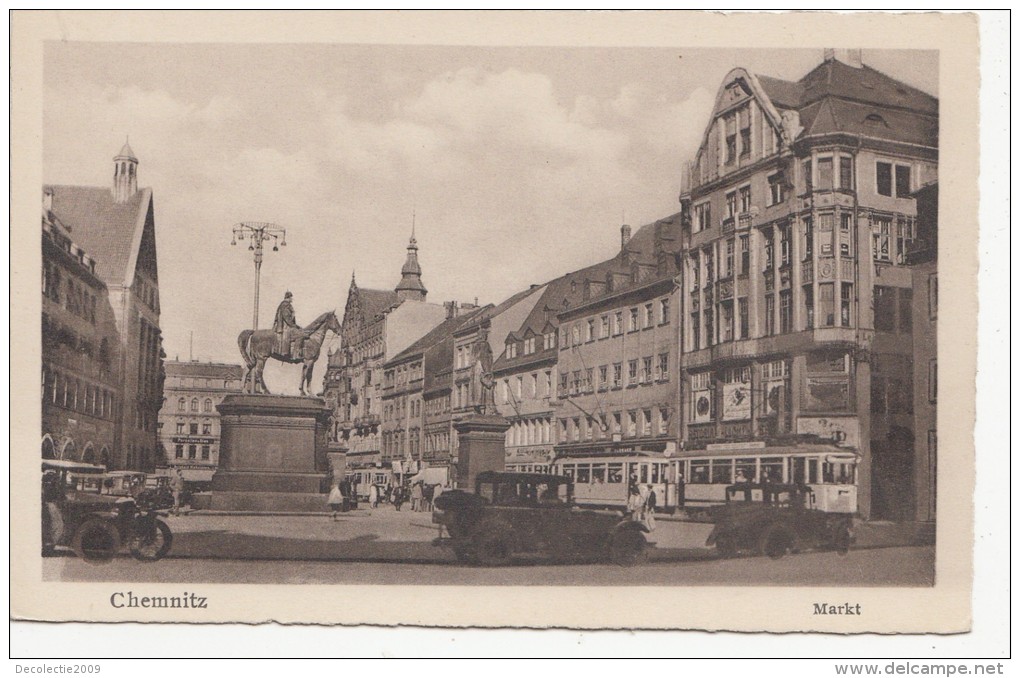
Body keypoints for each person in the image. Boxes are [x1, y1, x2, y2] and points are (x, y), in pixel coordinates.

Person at [273, 291, 303, 358]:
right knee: (300, 335)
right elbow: (286, 317)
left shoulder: (285, 304)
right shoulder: (285, 304)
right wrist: (294, 325)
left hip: (287, 325)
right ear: (288, 297)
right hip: (285, 326)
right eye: (291, 297)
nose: (292, 299)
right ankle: (294, 354)